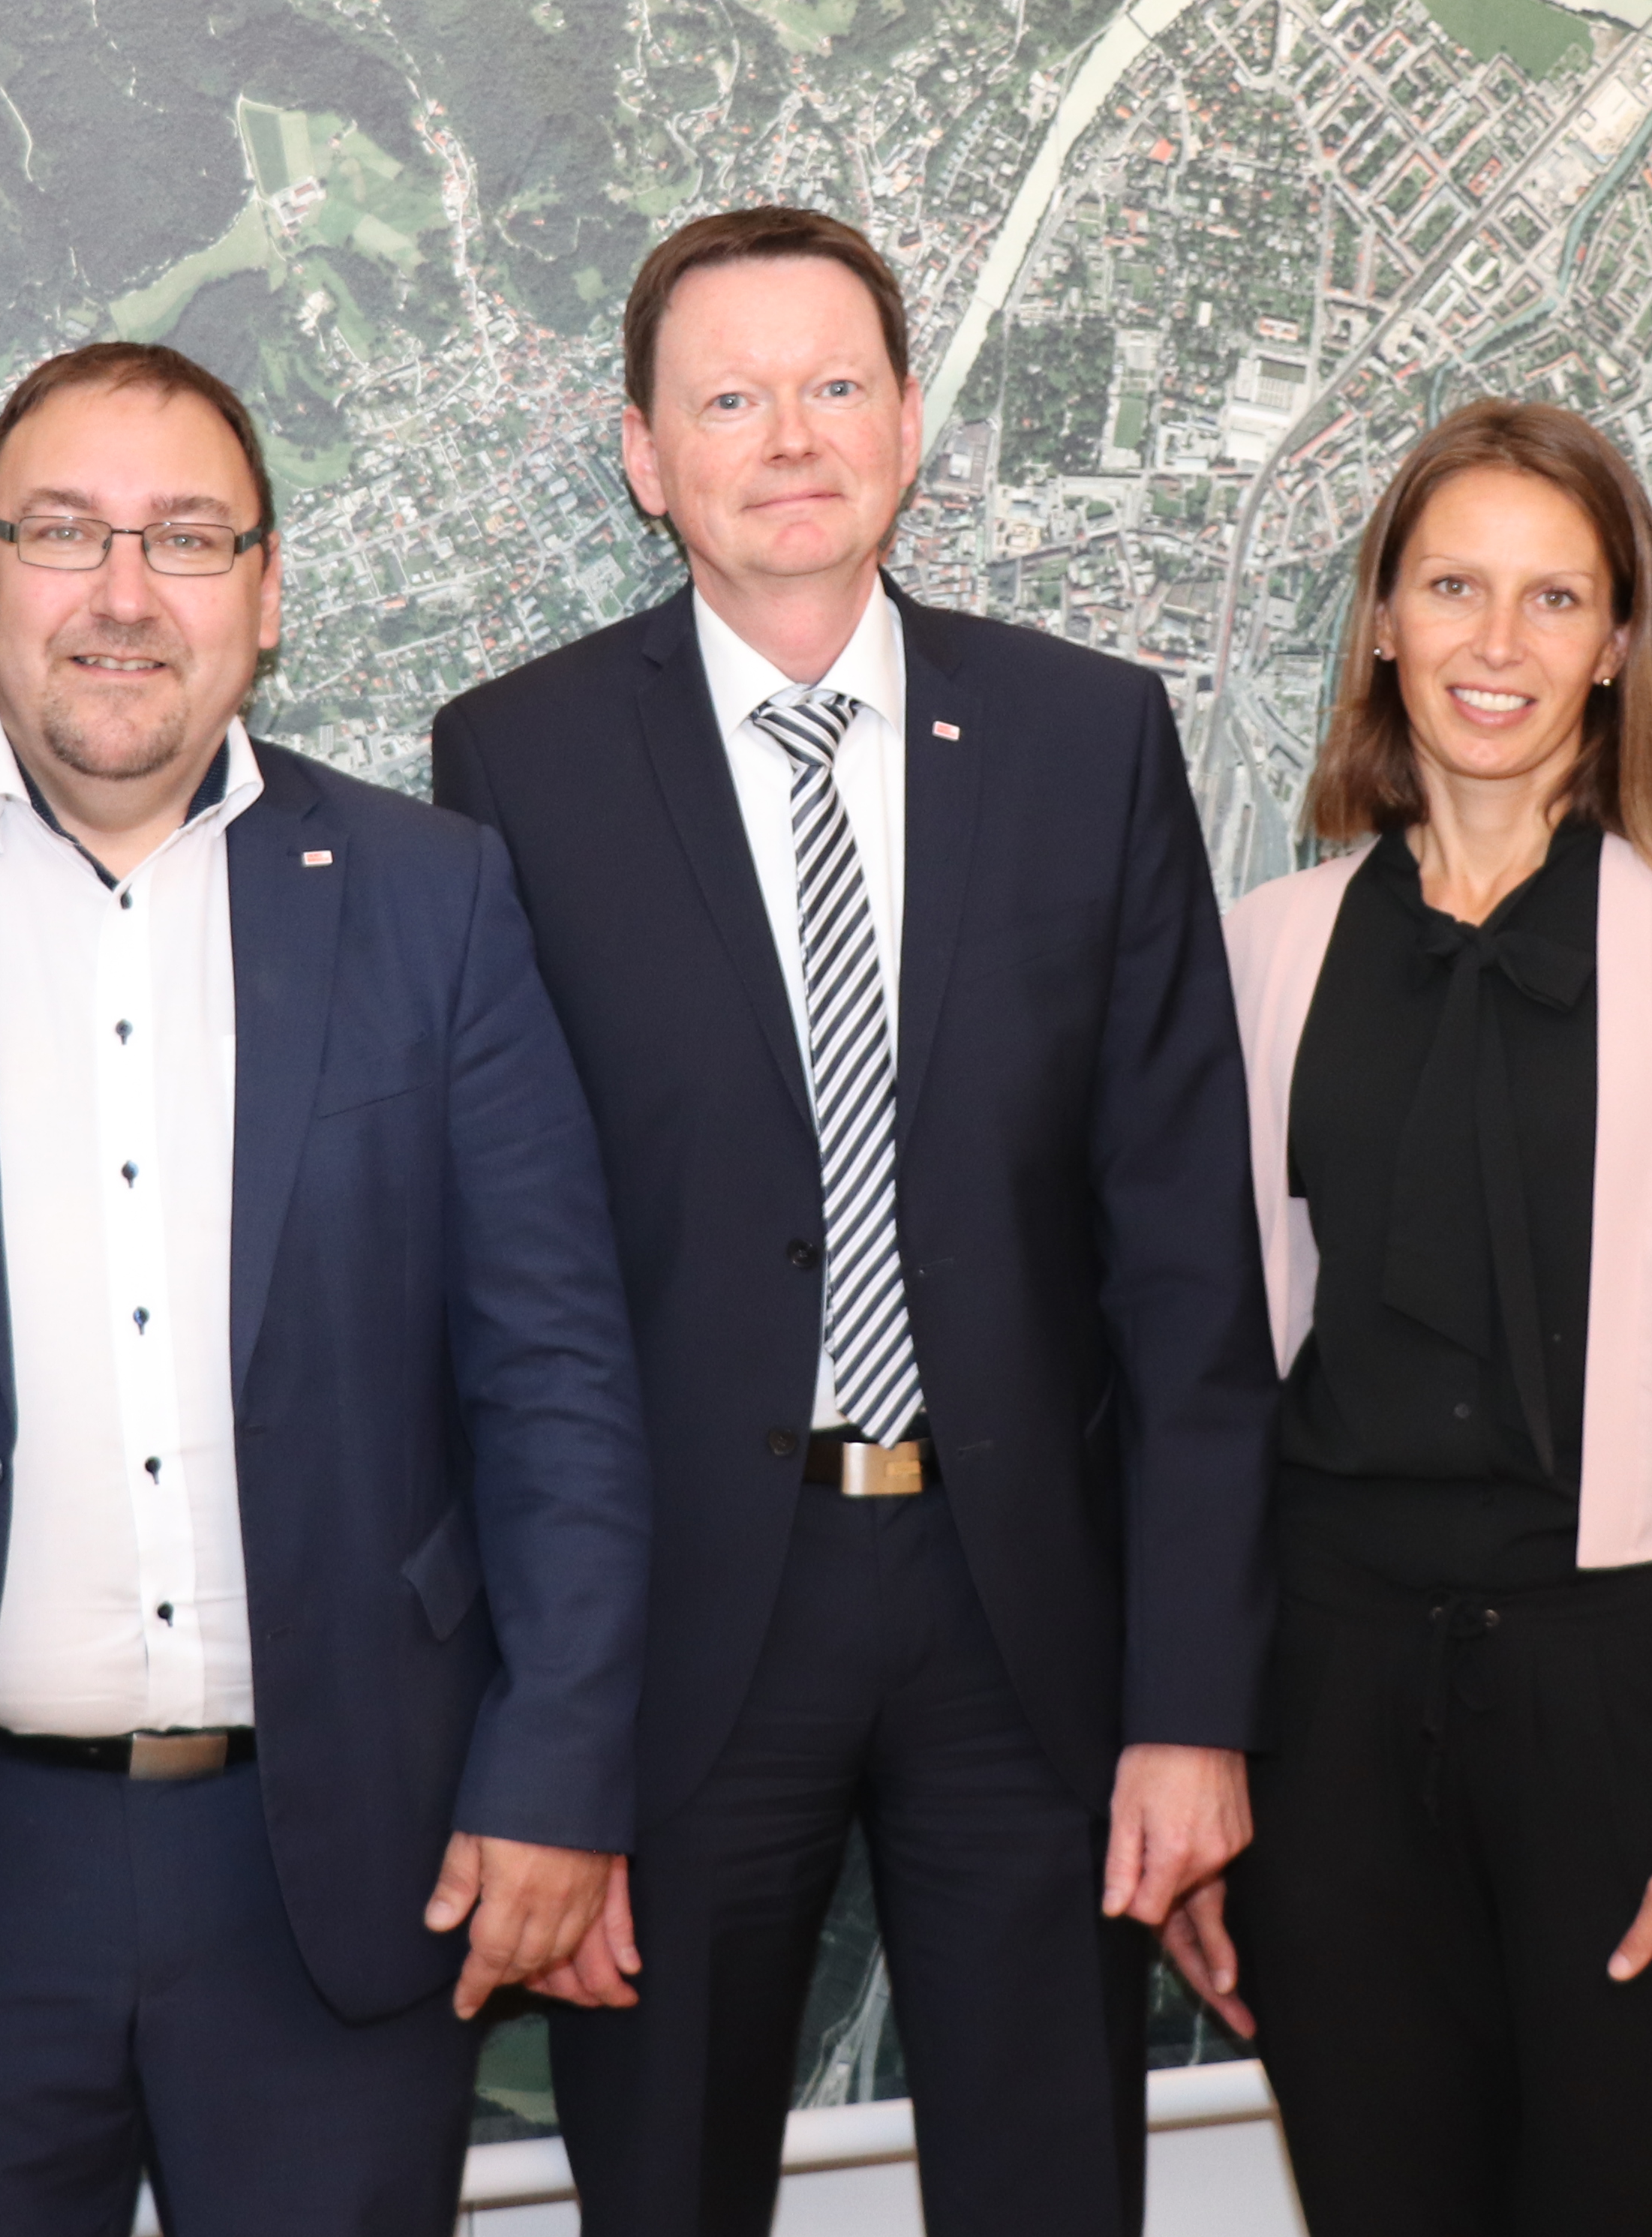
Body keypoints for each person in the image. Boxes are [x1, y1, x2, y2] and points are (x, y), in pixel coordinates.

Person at [0, 341, 648, 2235]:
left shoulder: (428, 895)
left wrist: (555, 1769)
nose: (125, 593)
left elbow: (552, 1374)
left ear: (269, 592)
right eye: (64, 532)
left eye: (190, 537)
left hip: (338, 1866)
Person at [428, 207, 1281, 2237]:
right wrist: (542, 1748)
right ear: (646, 455)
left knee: (1051, 2189)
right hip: (680, 1633)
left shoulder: (1087, 740)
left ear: (909, 426)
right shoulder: (516, 767)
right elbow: (488, 1296)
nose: (787, 435)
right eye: (729, 397)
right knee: (666, 2192)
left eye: (832, 387)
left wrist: (1189, 1708)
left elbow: (1184, 1269)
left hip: (1028, 1630)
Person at [1191, 400, 1652, 2234]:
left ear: (1618, 643)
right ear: (1381, 621)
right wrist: (1199, 1730)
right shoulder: (1271, 941)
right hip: (1331, 1711)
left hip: (1642, 1704)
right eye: (1452, 586)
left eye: (1553, 596)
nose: (1496, 643)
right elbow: (1213, 1378)